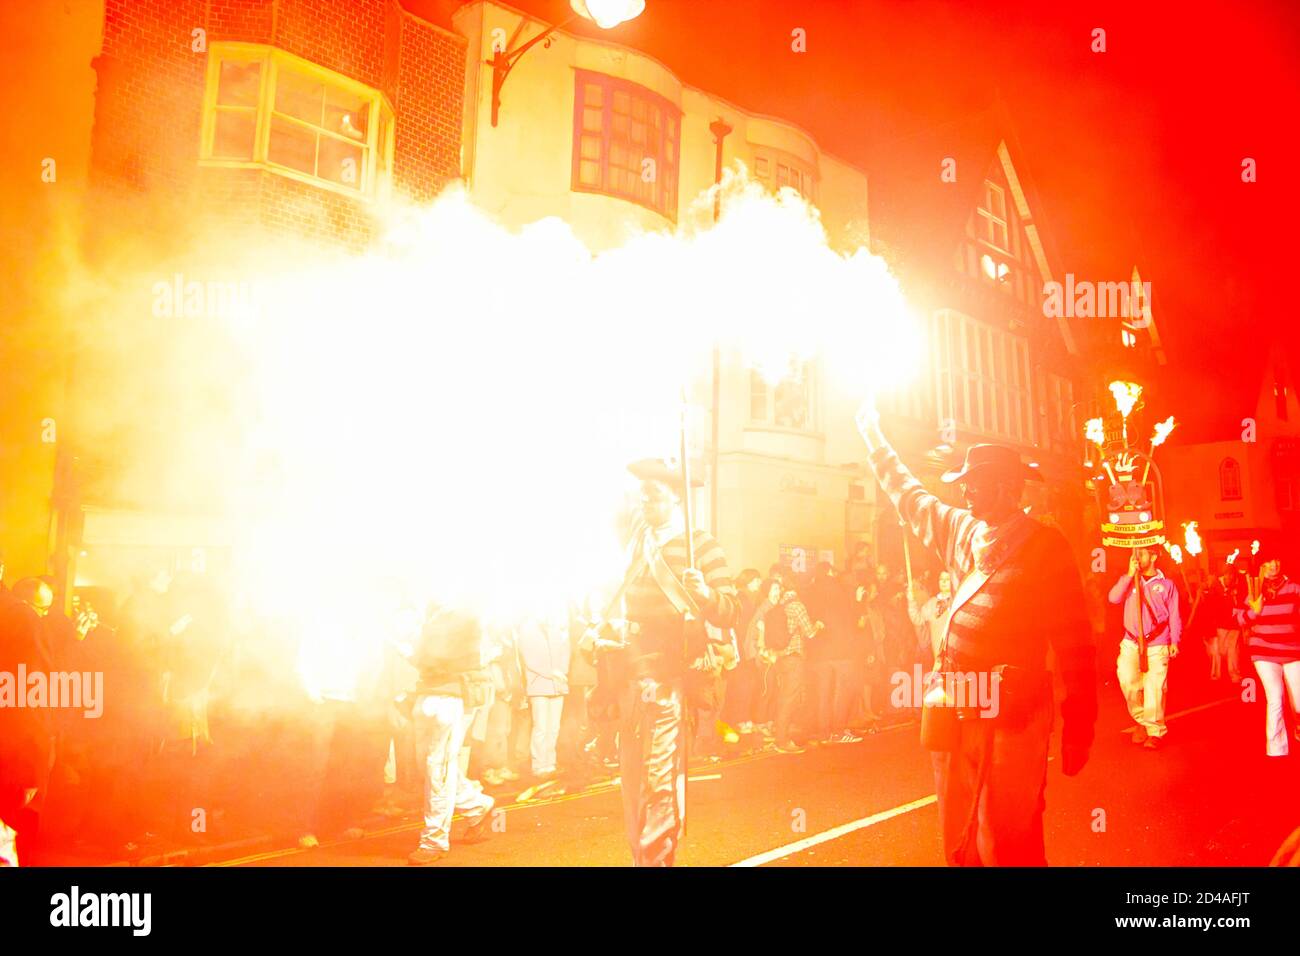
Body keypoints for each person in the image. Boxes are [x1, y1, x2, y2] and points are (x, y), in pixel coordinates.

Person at [856, 401, 1097, 866]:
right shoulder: (962, 530)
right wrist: (872, 436)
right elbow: (909, 496)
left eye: (974, 483)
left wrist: (1079, 724)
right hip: (956, 703)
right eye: (963, 483)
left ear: (1007, 488)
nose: (963, 491)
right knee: (960, 833)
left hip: (1014, 714)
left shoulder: (1047, 547)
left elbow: (1075, 641)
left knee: (1005, 836)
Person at [583, 457, 738, 867]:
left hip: (669, 684)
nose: (644, 502)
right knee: (631, 786)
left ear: (676, 497)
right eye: (642, 495)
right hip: (630, 683)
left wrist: (704, 595)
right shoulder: (636, 546)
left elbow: (731, 610)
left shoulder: (701, 545)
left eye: (652, 495)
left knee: (660, 784)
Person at [408, 604, 496, 865]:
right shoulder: (433, 615)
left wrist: (417, 654)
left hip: (453, 696)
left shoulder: (469, 615)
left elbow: (457, 656)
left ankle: (433, 840)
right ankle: (478, 806)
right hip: (428, 693)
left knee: (439, 767)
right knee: (431, 766)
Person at [1109, 546, 1181, 749]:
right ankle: (1141, 720)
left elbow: (1175, 615)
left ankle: (1155, 731)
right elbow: (1113, 598)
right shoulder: (1130, 580)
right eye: (1135, 553)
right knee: (1128, 682)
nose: (1137, 557)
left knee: (1155, 688)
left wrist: (1175, 641)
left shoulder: (1167, 584)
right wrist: (1130, 575)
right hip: (1131, 642)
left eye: (1142, 553)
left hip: (1158, 643)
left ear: (1154, 556)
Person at [1234, 546, 1300, 757]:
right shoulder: (1251, 590)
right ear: (1260, 566)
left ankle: (1298, 722)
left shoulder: (1294, 588)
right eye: (1268, 562)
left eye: (1276, 560)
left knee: (1298, 702)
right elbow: (1238, 620)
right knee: (1275, 698)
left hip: (1292, 650)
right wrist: (1254, 611)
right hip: (1263, 652)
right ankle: (1276, 751)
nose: (1273, 565)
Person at [758, 581, 819, 753]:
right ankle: (782, 741)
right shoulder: (797, 606)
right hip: (793, 659)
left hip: (779, 659)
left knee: (784, 696)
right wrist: (819, 626)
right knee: (789, 698)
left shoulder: (777, 607)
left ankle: (781, 731)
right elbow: (810, 633)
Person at [805, 563, 861, 744]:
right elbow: (852, 620)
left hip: (819, 653)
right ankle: (838, 731)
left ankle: (824, 732)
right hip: (841, 650)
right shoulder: (840, 590)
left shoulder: (810, 593)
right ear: (830, 572)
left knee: (823, 693)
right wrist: (858, 601)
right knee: (841, 692)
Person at [516, 609, 570, 780]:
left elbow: (566, 651)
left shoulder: (555, 627)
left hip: (558, 685)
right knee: (541, 727)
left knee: (553, 728)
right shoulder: (527, 629)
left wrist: (562, 671)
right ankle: (539, 765)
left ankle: (550, 763)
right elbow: (530, 660)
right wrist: (552, 672)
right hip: (539, 685)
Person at [1204, 562, 1246, 683]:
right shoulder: (1216, 587)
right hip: (1220, 624)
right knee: (1219, 650)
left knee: (1233, 650)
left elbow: (1242, 600)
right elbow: (1211, 606)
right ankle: (1217, 675)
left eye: (1232, 575)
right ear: (1224, 575)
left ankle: (1234, 675)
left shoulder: (1237, 585)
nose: (1231, 577)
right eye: (1228, 575)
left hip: (1234, 624)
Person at [909, 571, 953, 669]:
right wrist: (911, 602)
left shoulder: (958, 600)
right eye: (941, 579)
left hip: (955, 653)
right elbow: (917, 619)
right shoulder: (932, 603)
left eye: (947, 579)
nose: (944, 582)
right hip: (939, 656)